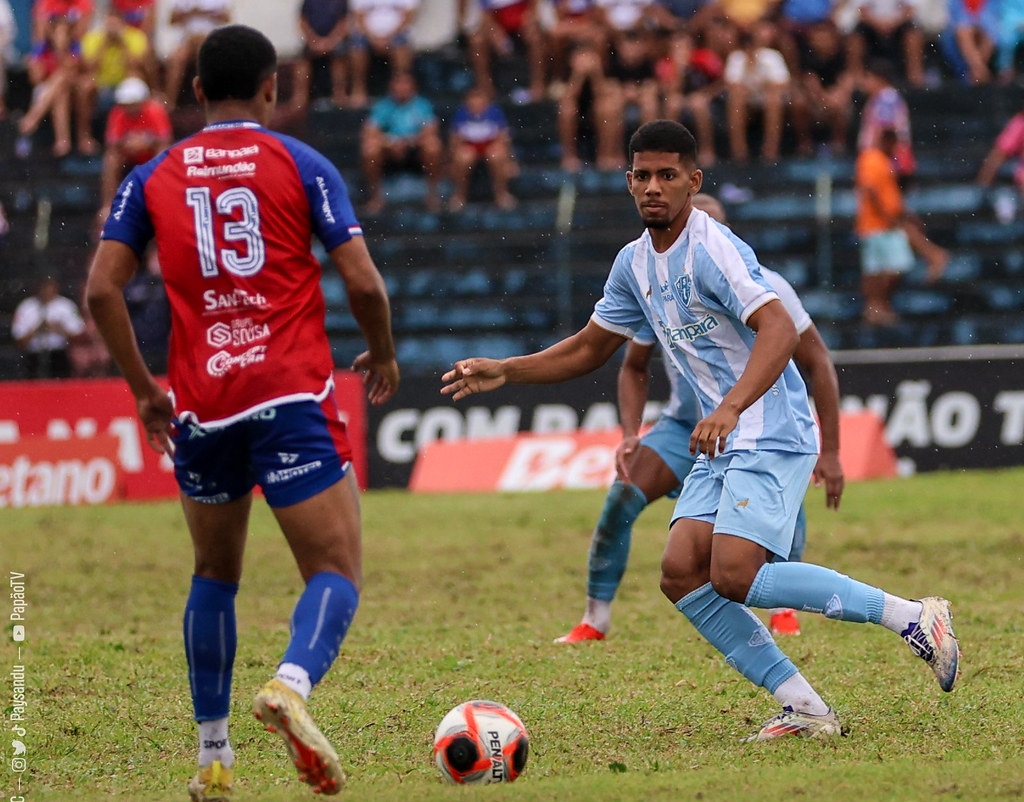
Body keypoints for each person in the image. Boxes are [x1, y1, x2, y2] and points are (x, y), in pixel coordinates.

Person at [442, 119, 960, 740]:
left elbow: (779, 330)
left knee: (735, 574)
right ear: (628, 181)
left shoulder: (712, 247)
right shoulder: (633, 263)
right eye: (643, 176)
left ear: (694, 181)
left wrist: (732, 407)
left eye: (668, 175)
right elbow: (589, 349)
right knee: (682, 572)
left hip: (768, 425)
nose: (654, 187)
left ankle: (912, 616)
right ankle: (807, 708)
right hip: (723, 435)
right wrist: (508, 370)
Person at [85, 24, 399, 800]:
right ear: (272, 87)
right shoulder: (302, 162)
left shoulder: (152, 174)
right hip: (289, 392)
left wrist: (144, 391)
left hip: (202, 404)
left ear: (193, 94)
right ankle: (290, 685)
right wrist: (383, 353)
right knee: (335, 569)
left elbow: (100, 289)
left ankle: (213, 758)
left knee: (214, 575)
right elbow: (362, 282)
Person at [555, 191, 844, 644]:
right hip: (683, 428)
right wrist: (630, 433)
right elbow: (631, 365)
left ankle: (785, 610)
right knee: (623, 496)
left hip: (754, 426)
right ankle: (596, 618)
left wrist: (832, 450)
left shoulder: (769, 288)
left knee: (777, 516)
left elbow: (818, 362)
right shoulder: (658, 278)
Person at [360, 70, 444, 214]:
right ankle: (376, 197)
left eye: (405, 84)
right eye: (398, 84)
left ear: (413, 87)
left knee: (433, 146)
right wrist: (390, 142)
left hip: (414, 148)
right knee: (370, 149)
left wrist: (407, 142)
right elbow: (369, 132)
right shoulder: (383, 106)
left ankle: (432, 195)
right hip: (388, 148)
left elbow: (430, 131)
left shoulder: (422, 105)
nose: (402, 88)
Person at [97, 76, 172, 228]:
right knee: (111, 159)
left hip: (150, 154)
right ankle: (107, 204)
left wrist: (145, 144)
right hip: (129, 154)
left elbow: (165, 141)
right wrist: (133, 144)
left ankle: (160, 199)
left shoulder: (155, 111)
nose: (129, 108)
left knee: (162, 153)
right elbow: (113, 145)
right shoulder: (117, 113)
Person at [447, 86, 517, 211]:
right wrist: (451, 161)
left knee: (497, 155)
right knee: (463, 158)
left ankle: (501, 193)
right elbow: (455, 140)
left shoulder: (495, 112)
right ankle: (459, 194)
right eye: (473, 98)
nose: (476, 102)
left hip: (490, 145)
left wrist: (510, 160)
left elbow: (504, 138)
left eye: (480, 98)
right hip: (469, 146)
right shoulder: (462, 113)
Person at [347, 0, 419, 108]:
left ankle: (401, 91)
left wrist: (389, 37)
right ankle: (358, 90)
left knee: (401, 47)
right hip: (367, 34)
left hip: (396, 34)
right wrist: (373, 38)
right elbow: (358, 16)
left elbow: (409, 16)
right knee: (357, 47)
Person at [11, 276, 87, 379]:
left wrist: (58, 329)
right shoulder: (26, 307)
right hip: (34, 356)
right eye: (44, 287)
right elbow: (19, 340)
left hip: (59, 355)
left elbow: (79, 336)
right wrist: (38, 329)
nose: (47, 291)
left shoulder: (65, 306)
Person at [162, 0, 231, 110]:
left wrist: (204, 13)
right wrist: (190, 13)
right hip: (186, 40)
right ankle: (170, 102)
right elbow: (171, 20)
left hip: (211, 38)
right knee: (176, 60)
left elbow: (226, 17)